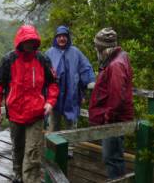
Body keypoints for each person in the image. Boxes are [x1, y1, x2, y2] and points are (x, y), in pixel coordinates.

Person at [0, 25, 59, 183]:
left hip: (36, 115)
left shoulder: (42, 59)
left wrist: (50, 102)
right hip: (15, 114)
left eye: (33, 41)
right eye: (27, 40)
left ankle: (30, 179)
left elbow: (53, 83)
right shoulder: (9, 60)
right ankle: (18, 173)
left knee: (33, 152)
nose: (30, 44)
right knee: (18, 148)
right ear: (20, 41)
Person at [89, 27, 134, 180]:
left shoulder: (115, 65)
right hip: (114, 119)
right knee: (115, 156)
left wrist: (107, 118)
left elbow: (117, 97)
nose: (96, 48)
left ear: (103, 47)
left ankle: (116, 180)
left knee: (112, 157)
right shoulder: (119, 58)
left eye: (97, 46)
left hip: (113, 121)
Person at [45, 25, 95, 132]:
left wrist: (90, 81)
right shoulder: (49, 53)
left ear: (68, 37)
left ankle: (71, 147)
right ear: (55, 38)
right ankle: (53, 148)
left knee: (71, 126)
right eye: (59, 36)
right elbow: (43, 72)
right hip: (55, 97)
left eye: (64, 36)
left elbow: (85, 67)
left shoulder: (75, 52)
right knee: (54, 125)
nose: (62, 38)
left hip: (71, 95)